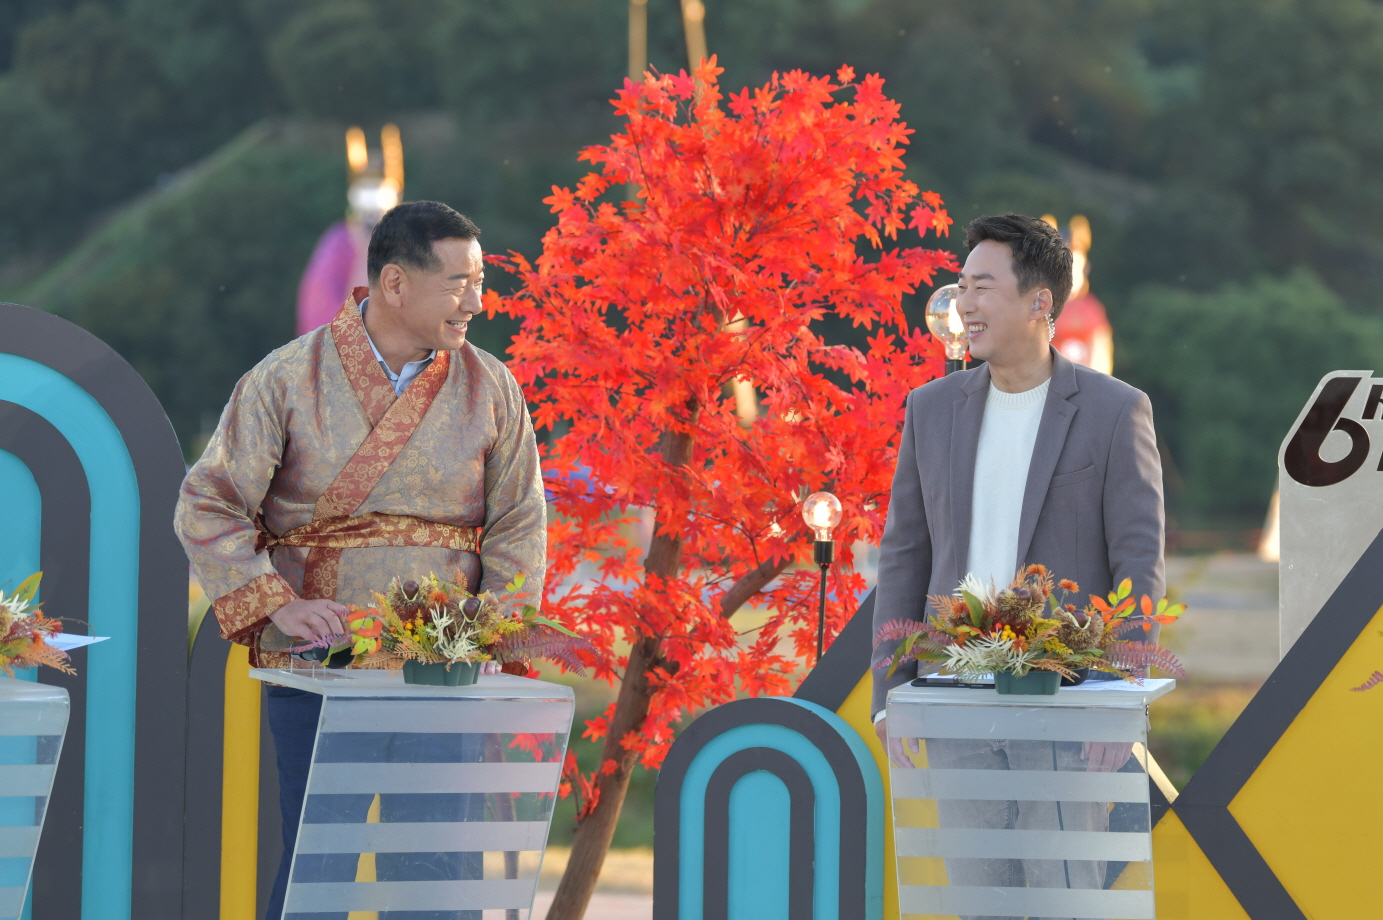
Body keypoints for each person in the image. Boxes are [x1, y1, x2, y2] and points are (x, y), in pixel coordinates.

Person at [175, 201, 547, 920]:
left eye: (479, 282)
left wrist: (491, 630)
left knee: (439, 875)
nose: (476, 301)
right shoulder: (286, 378)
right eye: (460, 283)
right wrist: (279, 602)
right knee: (319, 870)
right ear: (395, 283)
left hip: (444, 667)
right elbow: (207, 503)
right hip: (323, 663)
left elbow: (520, 522)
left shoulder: (493, 386)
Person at [870, 213, 1164, 914]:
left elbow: (1138, 561)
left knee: (1063, 900)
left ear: (1039, 302)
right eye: (961, 286)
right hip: (952, 697)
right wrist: (891, 695)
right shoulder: (929, 409)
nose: (964, 304)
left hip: (1066, 701)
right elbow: (904, 554)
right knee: (979, 901)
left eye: (983, 287)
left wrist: (1117, 701)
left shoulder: (1114, 410)